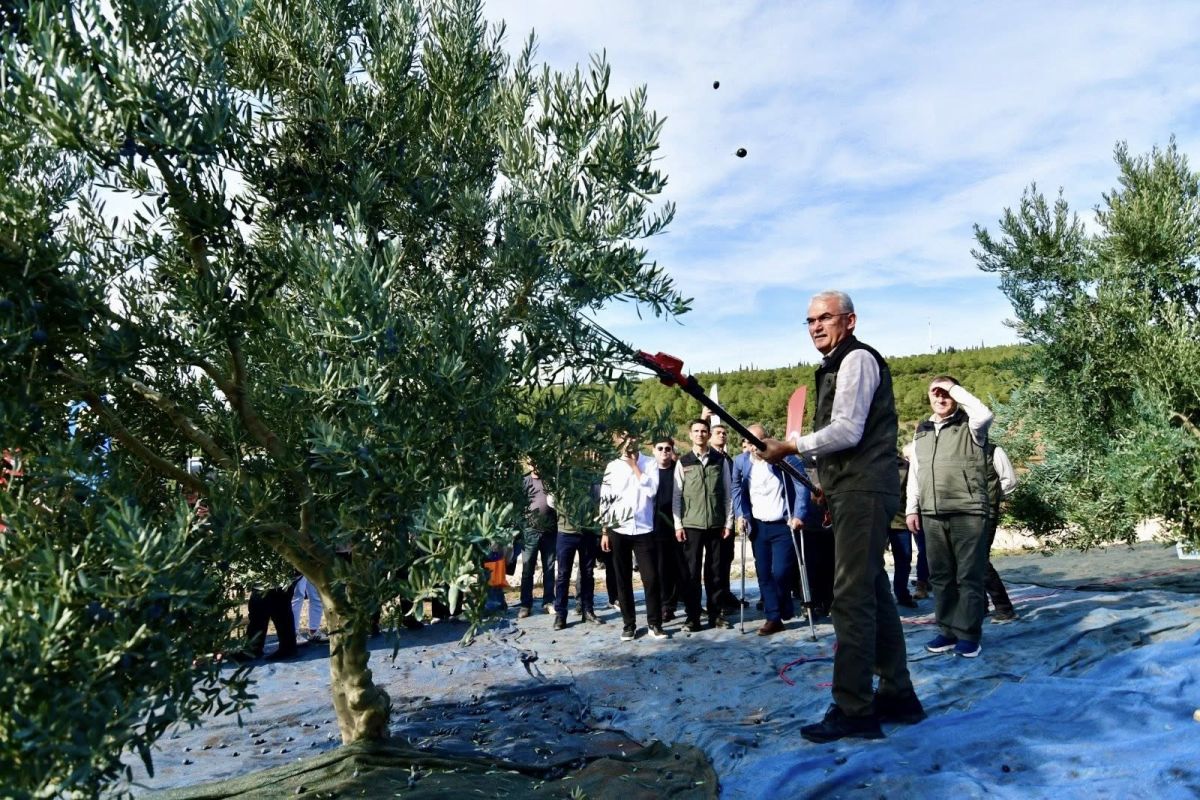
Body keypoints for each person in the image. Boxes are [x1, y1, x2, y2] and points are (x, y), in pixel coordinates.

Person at [760, 290, 923, 743]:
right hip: (853, 489)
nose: (815, 326)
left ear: (849, 321)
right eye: (809, 320)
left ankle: (854, 708)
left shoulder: (857, 360)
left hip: (865, 489)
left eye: (825, 318)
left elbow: (848, 431)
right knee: (872, 589)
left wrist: (790, 447)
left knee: (849, 598)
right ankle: (899, 696)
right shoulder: (835, 365)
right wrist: (827, 488)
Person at [905, 376, 994, 659]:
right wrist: (911, 508)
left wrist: (952, 386)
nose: (941, 398)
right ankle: (947, 631)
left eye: (947, 394)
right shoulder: (922, 432)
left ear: (956, 396)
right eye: (936, 393)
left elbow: (985, 412)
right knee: (940, 576)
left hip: (967, 510)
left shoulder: (971, 425)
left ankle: (968, 635)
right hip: (931, 513)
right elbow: (915, 475)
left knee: (968, 576)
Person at [732, 424, 810, 635]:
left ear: (767, 441)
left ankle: (784, 607)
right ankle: (773, 617)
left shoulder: (784, 459)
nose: (752, 448)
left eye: (757, 443)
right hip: (757, 525)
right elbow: (737, 489)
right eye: (749, 443)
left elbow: (802, 484)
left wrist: (799, 514)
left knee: (781, 572)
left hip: (783, 524)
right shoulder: (740, 462)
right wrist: (741, 515)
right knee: (764, 573)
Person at [601, 432, 667, 641]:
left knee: (651, 578)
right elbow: (605, 499)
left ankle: (654, 623)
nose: (629, 441)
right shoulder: (612, 466)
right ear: (617, 440)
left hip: (644, 529)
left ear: (639, 438)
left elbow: (652, 491)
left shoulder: (650, 463)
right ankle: (629, 624)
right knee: (622, 579)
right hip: (618, 528)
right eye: (623, 437)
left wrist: (634, 467)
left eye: (632, 437)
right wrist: (604, 531)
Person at [673, 418, 735, 631]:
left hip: (717, 525)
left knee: (716, 572)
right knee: (691, 573)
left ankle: (716, 614)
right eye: (696, 431)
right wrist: (678, 525)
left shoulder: (721, 460)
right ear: (690, 435)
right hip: (691, 525)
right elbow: (677, 496)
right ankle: (693, 617)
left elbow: (728, 494)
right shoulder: (683, 462)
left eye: (704, 431)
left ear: (709, 435)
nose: (700, 434)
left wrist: (729, 522)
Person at [551, 478, 604, 630]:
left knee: (588, 572)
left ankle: (588, 610)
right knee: (563, 574)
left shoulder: (590, 474)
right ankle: (560, 614)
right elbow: (551, 501)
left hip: (587, 532)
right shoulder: (561, 473)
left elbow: (597, 499)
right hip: (565, 532)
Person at [984, 443, 1019, 623]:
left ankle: (1004, 608)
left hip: (986, 512)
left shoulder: (993, 451)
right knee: (963, 560)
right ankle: (979, 605)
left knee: (978, 559)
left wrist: (991, 497)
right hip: (964, 513)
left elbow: (1010, 481)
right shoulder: (956, 451)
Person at [650, 435, 683, 621]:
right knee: (659, 570)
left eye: (668, 449)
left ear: (672, 452)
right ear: (653, 451)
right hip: (654, 528)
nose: (664, 452)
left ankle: (673, 604)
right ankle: (662, 605)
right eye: (660, 448)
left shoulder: (678, 471)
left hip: (676, 526)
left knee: (676, 569)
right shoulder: (648, 472)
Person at [517, 467, 557, 618]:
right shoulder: (524, 482)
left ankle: (548, 602)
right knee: (527, 569)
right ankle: (525, 605)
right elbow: (518, 506)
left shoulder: (550, 481)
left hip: (549, 532)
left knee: (549, 567)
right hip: (530, 532)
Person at [887, 452, 918, 609]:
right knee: (874, 561)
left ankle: (902, 594)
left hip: (900, 520)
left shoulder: (905, 466)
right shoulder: (870, 464)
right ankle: (882, 596)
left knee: (904, 560)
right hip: (878, 520)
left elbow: (911, 492)